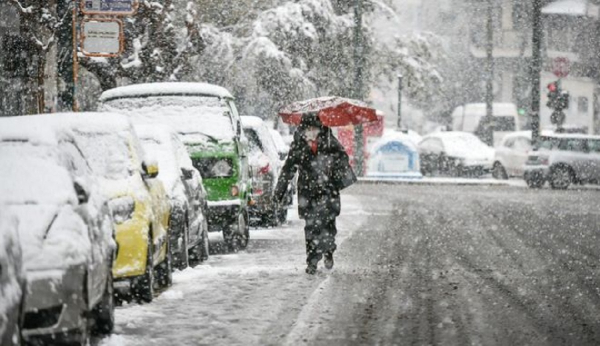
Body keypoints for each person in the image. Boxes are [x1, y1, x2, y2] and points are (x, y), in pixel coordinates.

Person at [274, 113, 357, 274]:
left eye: (314, 128)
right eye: (308, 128)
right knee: (310, 227)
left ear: (319, 128)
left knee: (328, 225)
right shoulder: (298, 145)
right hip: (308, 192)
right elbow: (288, 169)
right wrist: (279, 192)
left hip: (328, 191)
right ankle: (311, 261)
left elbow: (342, 160)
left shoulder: (329, 141)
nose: (311, 131)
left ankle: (328, 251)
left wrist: (335, 174)